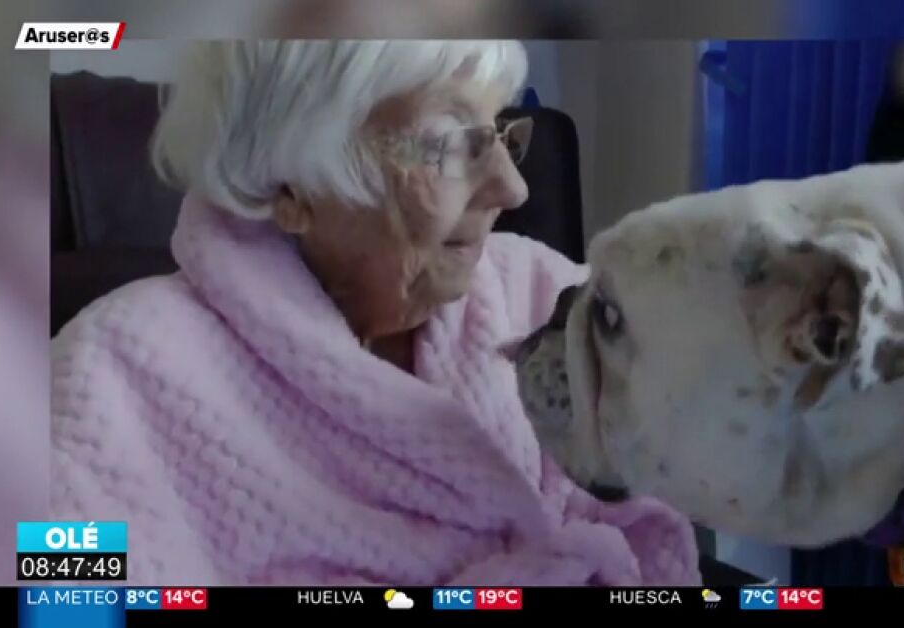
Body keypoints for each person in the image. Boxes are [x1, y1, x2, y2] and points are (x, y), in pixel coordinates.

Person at [50, 40, 701, 586]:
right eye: (451, 144)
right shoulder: (114, 371)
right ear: (294, 186)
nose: (513, 187)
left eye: (502, 131)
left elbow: (679, 485)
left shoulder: (541, 292)